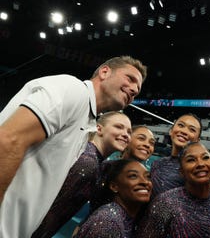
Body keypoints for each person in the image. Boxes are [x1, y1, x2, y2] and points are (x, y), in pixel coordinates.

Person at [0, 56, 147, 237]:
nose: (134, 89)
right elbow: (8, 139)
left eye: (138, 90)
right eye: (130, 79)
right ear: (104, 72)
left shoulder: (87, 119)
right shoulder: (74, 90)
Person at [32, 111, 132, 238]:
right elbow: (51, 212)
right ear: (99, 129)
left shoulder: (92, 157)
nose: (125, 135)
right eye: (119, 127)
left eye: (129, 132)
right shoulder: (88, 162)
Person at [135, 141, 210, 237]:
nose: (200, 164)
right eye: (191, 160)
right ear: (181, 171)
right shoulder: (165, 203)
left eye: (205, 157)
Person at [75, 159, 152, 238]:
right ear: (114, 186)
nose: (145, 182)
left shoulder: (127, 219)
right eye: (133, 176)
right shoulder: (108, 222)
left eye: (148, 177)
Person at [150, 113, 202, 197]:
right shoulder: (157, 163)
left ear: (197, 141)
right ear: (171, 131)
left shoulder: (196, 171)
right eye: (181, 125)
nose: (184, 131)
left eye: (192, 130)